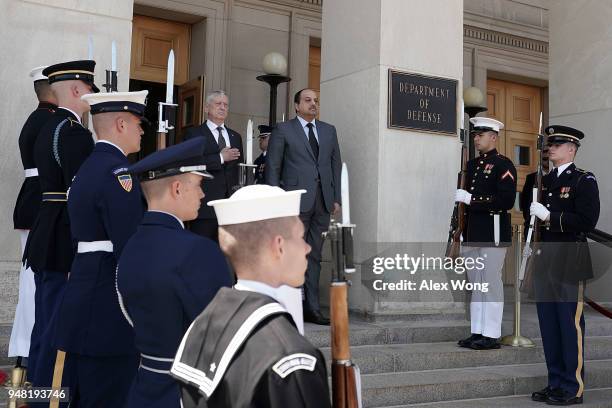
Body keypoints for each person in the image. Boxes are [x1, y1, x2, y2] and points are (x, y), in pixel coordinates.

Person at [171, 184, 331, 407]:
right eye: (301, 237)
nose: (307, 248)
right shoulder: (288, 355)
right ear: (279, 246)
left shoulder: (202, 325)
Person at [48, 91, 148, 406]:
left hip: (84, 296)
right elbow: (129, 247)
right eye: (137, 123)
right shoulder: (118, 174)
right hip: (107, 310)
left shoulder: (90, 168)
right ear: (120, 124)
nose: (142, 131)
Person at [116, 137, 233, 408]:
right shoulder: (198, 251)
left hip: (143, 388)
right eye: (199, 185)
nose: (203, 194)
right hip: (187, 392)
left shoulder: (131, 246)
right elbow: (222, 335)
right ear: (177, 188)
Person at [23, 60, 98, 392]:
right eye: (90, 92)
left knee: (44, 321)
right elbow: (79, 195)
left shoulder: (48, 127)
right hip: (63, 238)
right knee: (57, 324)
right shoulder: (74, 133)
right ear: (76, 89)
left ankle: (33, 390)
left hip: (45, 231)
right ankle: (47, 396)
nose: (91, 98)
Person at [529, 125, 599, 405]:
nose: (551, 148)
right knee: (549, 325)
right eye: (550, 144)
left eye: (558, 144)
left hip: (570, 260)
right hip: (546, 260)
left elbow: (585, 221)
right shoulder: (543, 181)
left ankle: (572, 387)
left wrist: (550, 216)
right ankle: (555, 382)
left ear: (572, 149)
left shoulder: (584, 180)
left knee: (569, 325)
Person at [265, 88, 342, 325]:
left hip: (322, 202)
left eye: (316, 101)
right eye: (308, 100)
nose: (313, 104)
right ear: (296, 105)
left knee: (315, 255)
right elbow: (273, 166)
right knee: (290, 254)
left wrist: (335, 198)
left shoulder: (329, 131)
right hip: (294, 201)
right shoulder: (284, 130)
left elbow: (335, 165)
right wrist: (276, 199)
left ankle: (312, 307)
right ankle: (287, 307)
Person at [9, 66, 57, 373]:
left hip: (32, 200)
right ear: (53, 91)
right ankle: (27, 349)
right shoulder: (52, 121)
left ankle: (23, 350)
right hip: (43, 201)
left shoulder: (34, 119)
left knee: (32, 280)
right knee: (36, 281)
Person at [455, 117, 517, 350]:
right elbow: (461, 205)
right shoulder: (470, 166)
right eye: (475, 135)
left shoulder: (504, 165)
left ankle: (491, 333)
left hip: (493, 232)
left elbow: (506, 200)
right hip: (471, 231)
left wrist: (472, 199)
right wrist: (458, 230)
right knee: (476, 284)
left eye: (480, 135)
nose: (476, 139)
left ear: (493, 137)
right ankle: (477, 330)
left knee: (490, 282)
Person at [184, 90, 243, 242]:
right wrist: (220, 158)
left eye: (226, 105)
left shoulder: (235, 137)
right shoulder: (194, 134)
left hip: (230, 208)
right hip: (205, 206)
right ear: (206, 108)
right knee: (202, 252)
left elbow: (238, 169)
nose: (222, 107)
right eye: (218, 104)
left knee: (226, 256)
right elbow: (190, 164)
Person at [520, 147, 549, 235]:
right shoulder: (531, 178)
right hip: (533, 227)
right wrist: (529, 220)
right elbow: (524, 202)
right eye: (544, 159)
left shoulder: (560, 177)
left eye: (548, 159)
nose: (547, 161)